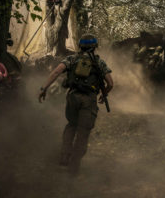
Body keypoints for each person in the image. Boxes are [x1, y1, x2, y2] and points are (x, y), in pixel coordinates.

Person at [38, 34, 113, 175]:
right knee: (83, 132)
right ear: (95, 47)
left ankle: (65, 155)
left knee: (71, 125)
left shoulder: (71, 59)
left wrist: (44, 89)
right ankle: (75, 165)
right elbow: (110, 83)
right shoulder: (99, 63)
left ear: (80, 46)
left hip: (72, 97)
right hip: (89, 100)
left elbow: (55, 72)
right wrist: (104, 94)